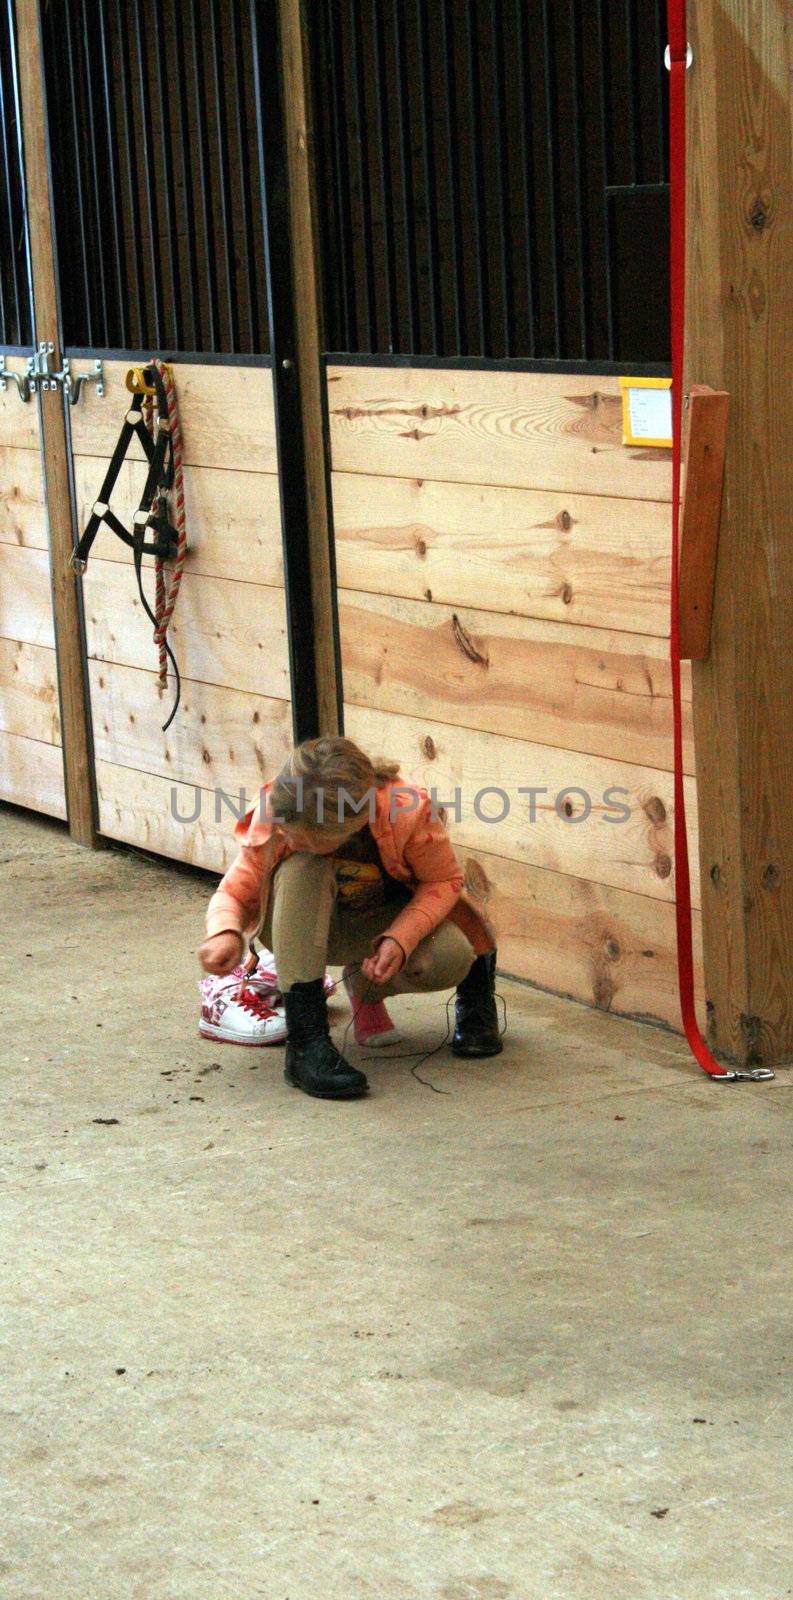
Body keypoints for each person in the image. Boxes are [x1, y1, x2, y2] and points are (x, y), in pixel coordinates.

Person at [198, 736, 503, 1100]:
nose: (291, 841)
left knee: (451, 955)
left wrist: (400, 939)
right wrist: (225, 932)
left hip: (378, 925)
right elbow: (234, 891)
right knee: (301, 868)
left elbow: (443, 880)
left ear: (354, 823)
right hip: (304, 933)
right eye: (287, 833)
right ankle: (306, 1043)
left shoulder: (406, 810)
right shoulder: (278, 813)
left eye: (306, 839)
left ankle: (376, 989)